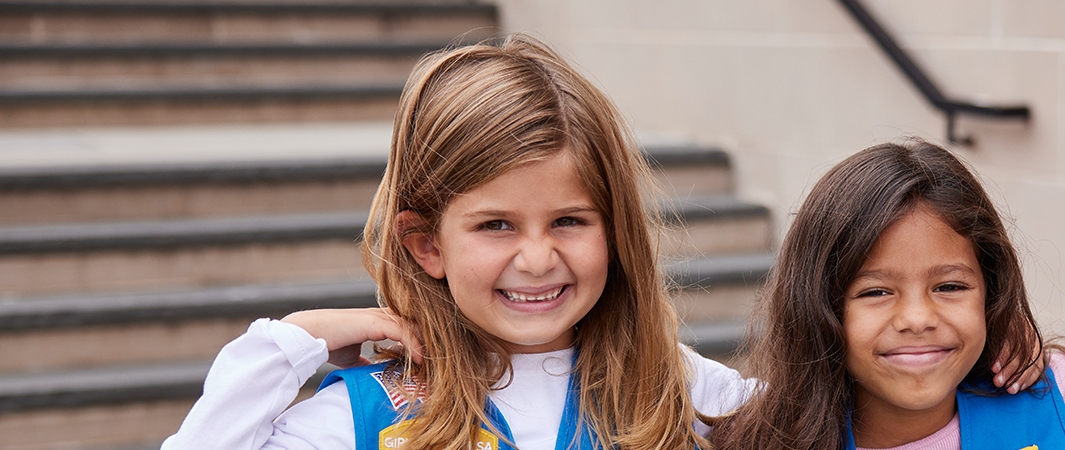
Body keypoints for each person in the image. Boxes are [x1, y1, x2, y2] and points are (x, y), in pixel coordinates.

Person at [159, 35, 761, 450]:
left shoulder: (671, 385)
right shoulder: (379, 412)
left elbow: (830, 419)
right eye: (496, 225)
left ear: (616, 229)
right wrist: (294, 340)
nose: (536, 259)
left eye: (570, 221)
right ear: (427, 246)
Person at [706, 139, 1065, 450]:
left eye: (950, 286)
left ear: (991, 293)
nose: (917, 317)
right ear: (820, 307)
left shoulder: (1062, 402)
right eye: (876, 291)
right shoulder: (762, 431)